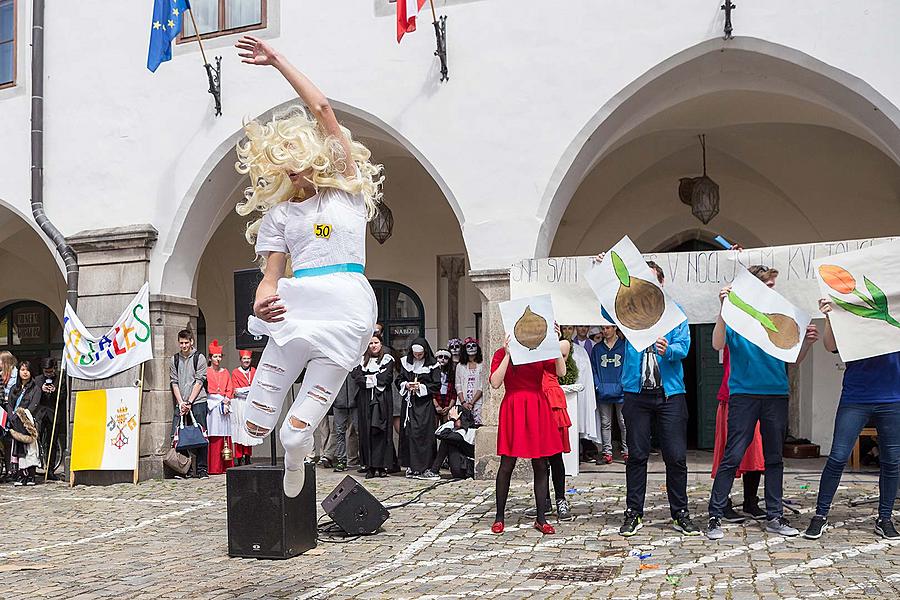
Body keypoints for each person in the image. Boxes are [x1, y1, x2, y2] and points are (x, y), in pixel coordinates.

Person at [233, 36, 381, 497]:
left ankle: (298, 450)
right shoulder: (280, 216)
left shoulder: (346, 192)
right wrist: (262, 299)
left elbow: (323, 110)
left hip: (345, 307)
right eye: (286, 168)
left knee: (291, 433)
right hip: (299, 305)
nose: (296, 172)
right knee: (253, 424)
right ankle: (285, 439)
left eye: (300, 162)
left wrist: (276, 60)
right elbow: (271, 275)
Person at [707, 265, 819, 540]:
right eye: (767, 285)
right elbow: (717, 343)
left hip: (776, 394)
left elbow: (793, 359)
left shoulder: (781, 317)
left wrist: (807, 343)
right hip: (743, 394)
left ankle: (774, 516)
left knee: (773, 459)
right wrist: (723, 308)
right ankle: (714, 516)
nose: (772, 289)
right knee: (732, 455)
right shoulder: (737, 315)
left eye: (773, 285)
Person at [594, 255, 699, 537]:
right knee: (637, 455)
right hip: (636, 394)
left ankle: (680, 513)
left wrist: (670, 350)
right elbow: (605, 310)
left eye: (653, 279)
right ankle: (633, 513)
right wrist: (603, 269)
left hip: (670, 395)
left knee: (676, 457)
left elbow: (685, 347)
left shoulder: (675, 312)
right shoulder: (628, 310)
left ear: (661, 283)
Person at [803, 299, 899, 540]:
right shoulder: (853, 310)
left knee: (892, 460)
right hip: (856, 396)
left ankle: (885, 518)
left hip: (893, 397)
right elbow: (830, 346)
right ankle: (820, 516)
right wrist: (829, 316)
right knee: (837, 456)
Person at [490, 329, 567, 536]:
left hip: (537, 405)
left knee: (541, 463)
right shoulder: (500, 353)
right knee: (507, 463)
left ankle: (541, 518)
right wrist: (507, 354)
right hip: (513, 406)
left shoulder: (538, 352)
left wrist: (554, 341)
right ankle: (499, 517)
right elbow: (495, 382)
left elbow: (561, 372)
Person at [711, 345, 766, 522]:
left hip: (759, 395)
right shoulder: (733, 328)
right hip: (733, 397)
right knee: (729, 452)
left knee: (755, 452)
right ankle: (722, 503)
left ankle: (750, 502)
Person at [350, 336, 395, 478]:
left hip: (382, 400)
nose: (373, 346)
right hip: (365, 400)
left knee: (381, 431)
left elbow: (386, 378)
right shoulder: (361, 360)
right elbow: (357, 378)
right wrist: (373, 378)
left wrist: (368, 378)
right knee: (366, 431)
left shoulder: (387, 359)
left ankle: (382, 466)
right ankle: (369, 466)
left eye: (376, 343)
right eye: (370, 343)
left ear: (381, 344)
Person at [397, 338, 440, 479]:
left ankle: (425, 466)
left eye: (420, 355)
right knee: (409, 433)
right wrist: (406, 385)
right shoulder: (405, 363)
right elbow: (399, 379)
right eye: (415, 354)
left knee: (424, 434)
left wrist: (421, 387)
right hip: (409, 403)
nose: (417, 357)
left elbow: (436, 385)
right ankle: (411, 466)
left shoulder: (433, 365)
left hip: (425, 405)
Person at [170, 329, 209, 479]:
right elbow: (174, 382)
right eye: (181, 343)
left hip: (197, 401)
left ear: (191, 342)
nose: (184, 345)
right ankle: (185, 470)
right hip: (181, 402)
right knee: (179, 436)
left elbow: (200, 381)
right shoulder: (174, 360)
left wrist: (189, 402)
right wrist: (181, 403)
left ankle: (202, 469)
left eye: (186, 342)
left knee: (200, 435)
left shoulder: (199, 358)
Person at [591, 324, 628, 464]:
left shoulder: (624, 346)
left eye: (607, 328)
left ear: (614, 328)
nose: (604, 331)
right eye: (603, 328)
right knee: (605, 423)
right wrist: (598, 385)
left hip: (621, 391)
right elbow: (594, 368)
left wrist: (622, 384)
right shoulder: (597, 348)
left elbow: (628, 367)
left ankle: (627, 452)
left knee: (624, 422)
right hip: (603, 391)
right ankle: (607, 453)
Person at [6, 361, 42, 486]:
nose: (25, 372)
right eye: (22, 370)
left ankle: (31, 475)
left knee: (30, 448)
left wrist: (24, 416)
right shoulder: (14, 389)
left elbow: (34, 405)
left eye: (27, 370)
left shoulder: (35, 388)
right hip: (15, 422)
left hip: (28, 422)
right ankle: (20, 475)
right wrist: (12, 416)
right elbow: (9, 404)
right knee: (17, 448)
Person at [205, 340, 234, 475]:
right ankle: (214, 466)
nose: (218, 359)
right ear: (210, 358)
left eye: (219, 356)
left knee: (225, 434)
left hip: (223, 404)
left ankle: (225, 465)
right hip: (212, 404)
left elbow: (230, 388)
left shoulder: (225, 372)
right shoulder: (206, 372)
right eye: (215, 357)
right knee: (214, 434)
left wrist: (227, 399)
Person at [428, 405, 477, 480]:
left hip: (465, 471)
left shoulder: (468, 431)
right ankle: (434, 471)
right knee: (447, 439)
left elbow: (441, 433)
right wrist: (452, 421)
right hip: (461, 467)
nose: (450, 418)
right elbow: (438, 433)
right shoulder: (456, 431)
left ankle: (434, 471)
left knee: (447, 440)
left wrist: (452, 420)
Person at [38, 357, 67, 480]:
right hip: (40, 414)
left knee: (52, 443)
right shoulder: (38, 380)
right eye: (46, 371)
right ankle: (34, 468)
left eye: (50, 371)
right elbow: (33, 396)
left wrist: (55, 391)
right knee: (37, 442)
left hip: (53, 414)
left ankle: (50, 470)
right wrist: (41, 389)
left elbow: (64, 396)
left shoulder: (60, 379)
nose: (48, 374)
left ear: (54, 368)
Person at [230, 350, 260, 466]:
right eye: (244, 359)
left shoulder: (254, 371)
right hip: (240, 403)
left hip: (250, 404)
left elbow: (256, 388)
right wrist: (249, 390)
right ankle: (238, 457)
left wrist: (247, 390)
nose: (246, 361)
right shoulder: (236, 372)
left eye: (248, 359)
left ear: (250, 360)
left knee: (249, 430)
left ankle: (248, 457)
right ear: (240, 360)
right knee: (239, 429)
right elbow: (236, 391)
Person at [331, 373, 357, 473]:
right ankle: (341, 460)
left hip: (355, 401)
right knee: (339, 432)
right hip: (339, 402)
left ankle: (364, 460)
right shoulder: (337, 363)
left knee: (360, 431)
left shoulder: (356, 362)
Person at [454, 338, 485, 425]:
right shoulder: (460, 366)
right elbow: (458, 385)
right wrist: (463, 402)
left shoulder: (482, 365)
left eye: (473, 346)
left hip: (478, 403)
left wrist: (472, 402)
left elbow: (482, 386)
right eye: (468, 346)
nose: (471, 348)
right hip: (463, 402)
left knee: (477, 426)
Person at [1, 351, 18, 481]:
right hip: (2, 408)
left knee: (12, 440)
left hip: (12, 408)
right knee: (5, 440)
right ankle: (7, 469)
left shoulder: (15, 375)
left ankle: (14, 470)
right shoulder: (2, 375)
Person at [433, 349, 457, 425]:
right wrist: (436, 405)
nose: (443, 359)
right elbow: (431, 391)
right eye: (440, 357)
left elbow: (454, 392)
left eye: (446, 357)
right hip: (435, 400)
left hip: (447, 400)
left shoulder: (451, 373)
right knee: (434, 425)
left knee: (446, 425)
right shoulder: (432, 372)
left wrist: (449, 407)